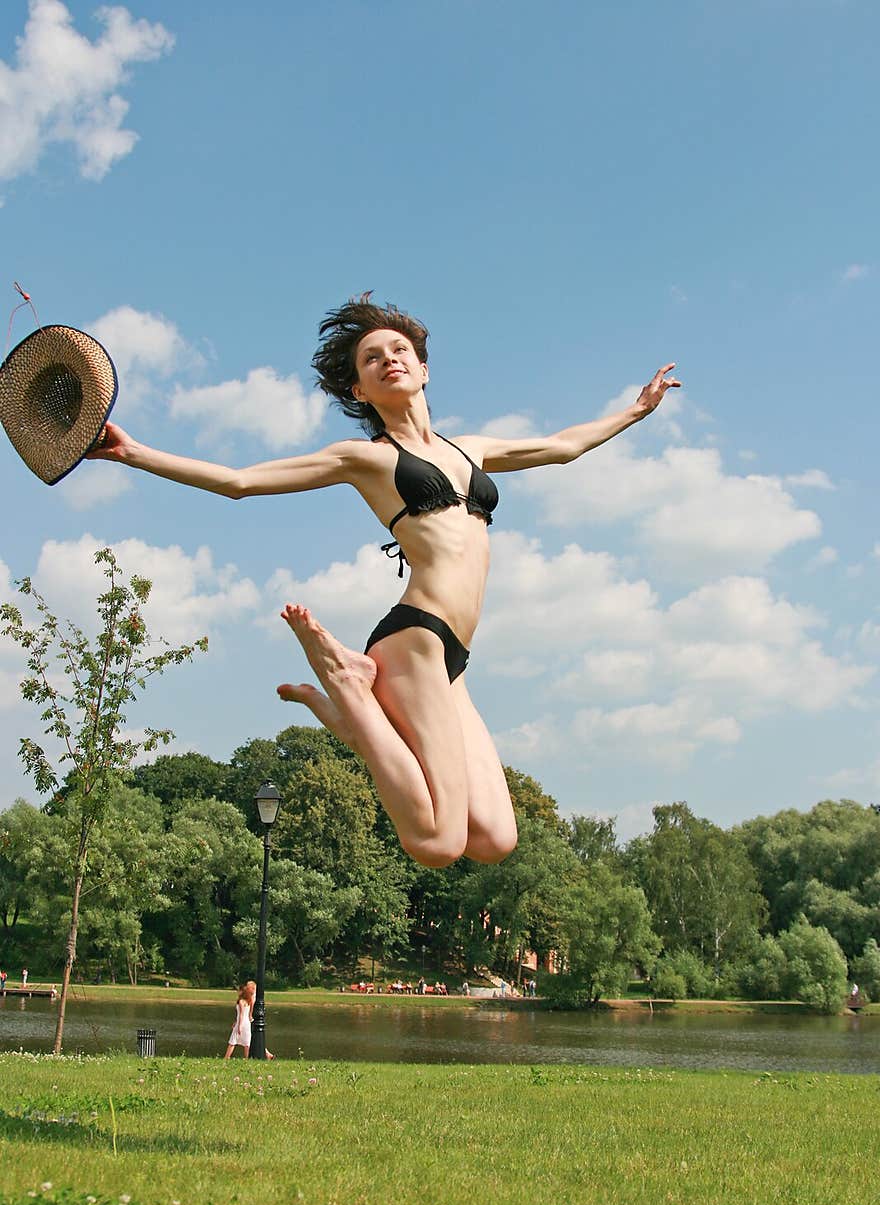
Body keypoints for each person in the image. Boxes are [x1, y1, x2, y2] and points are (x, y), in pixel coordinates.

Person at [88, 296, 679, 868]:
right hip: (414, 636)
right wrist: (136, 453)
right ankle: (352, 687)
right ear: (359, 390)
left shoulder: (471, 449)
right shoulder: (365, 457)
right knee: (436, 844)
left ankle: (352, 711)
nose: (389, 359)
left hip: (455, 659)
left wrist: (637, 410)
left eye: (400, 350)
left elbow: (561, 447)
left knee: (495, 837)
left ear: (423, 369)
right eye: (371, 359)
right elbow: (240, 480)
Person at [223, 980, 274, 1060]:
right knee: (247, 1042)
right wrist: (237, 1021)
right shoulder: (249, 1001)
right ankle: (249, 1058)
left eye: (239, 991)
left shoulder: (241, 1002)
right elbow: (246, 1013)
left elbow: (241, 1015)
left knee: (233, 1041)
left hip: (242, 1023)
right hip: (246, 1023)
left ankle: (227, 1057)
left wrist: (239, 1025)